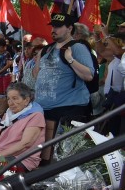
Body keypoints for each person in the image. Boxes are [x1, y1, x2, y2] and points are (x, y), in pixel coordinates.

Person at [33, 12, 94, 158]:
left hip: (67, 110)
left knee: (60, 156)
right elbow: (36, 74)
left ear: (69, 28)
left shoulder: (77, 47)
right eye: (53, 26)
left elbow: (89, 75)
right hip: (44, 109)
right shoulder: (47, 49)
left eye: (59, 26)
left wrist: (70, 60)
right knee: (44, 156)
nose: (54, 29)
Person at [0, 82, 45, 171]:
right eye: (8, 99)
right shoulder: (9, 113)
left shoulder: (36, 116)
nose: (11, 103)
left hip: (21, 159)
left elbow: (25, 143)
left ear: (26, 100)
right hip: (0, 153)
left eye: (15, 99)